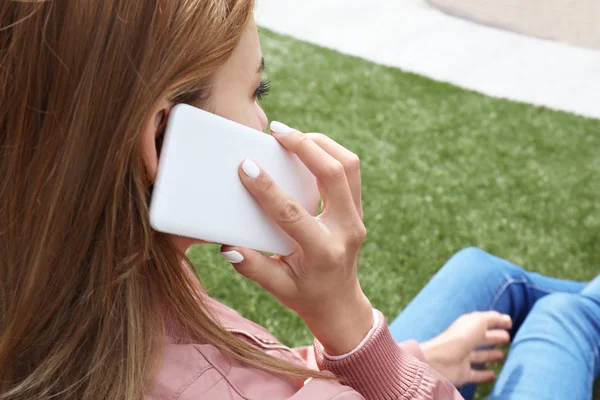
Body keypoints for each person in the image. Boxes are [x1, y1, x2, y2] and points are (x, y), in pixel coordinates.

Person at [0, 1, 598, 399]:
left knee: (480, 271)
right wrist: (351, 323)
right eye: (256, 88)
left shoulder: (79, 282)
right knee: (568, 317)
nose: (264, 118)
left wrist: (406, 355)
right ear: (162, 139)